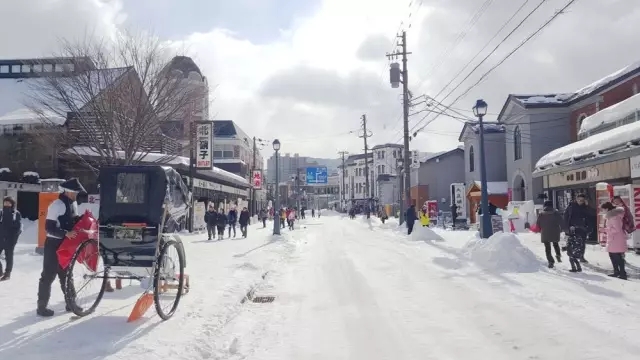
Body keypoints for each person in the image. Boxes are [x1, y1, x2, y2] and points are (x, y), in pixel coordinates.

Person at [37, 178, 85, 317]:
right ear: (69, 192)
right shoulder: (56, 205)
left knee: (66, 274)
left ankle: (71, 303)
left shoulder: (73, 203)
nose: (76, 195)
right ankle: (42, 307)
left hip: (66, 244)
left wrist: (82, 220)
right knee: (48, 275)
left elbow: (72, 220)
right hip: (53, 244)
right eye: (75, 192)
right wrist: (65, 233)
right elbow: (49, 228)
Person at [563, 193, 593, 264]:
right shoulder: (571, 207)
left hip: (583, 228)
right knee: (573, 242)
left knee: (582, 243)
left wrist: (589, 228)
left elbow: (590, 216)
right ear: (576, 199)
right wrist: (567, 228)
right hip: (573, 227)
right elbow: (566, 217)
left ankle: (581, 256)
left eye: (582, 200)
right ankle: (573, 255)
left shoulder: (586, 207)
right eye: (579, 200)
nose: (580, 201)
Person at [601, 202, 628, 280]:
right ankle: (617, 272)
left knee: (617, 256)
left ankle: (621, 273)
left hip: (616, 239)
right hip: (615, 239)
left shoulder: (614, 217)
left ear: (607, 209)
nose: (603, 211)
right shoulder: (612, 216)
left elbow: (616, 229)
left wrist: (605, 229)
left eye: (603, 209)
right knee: (613, 255)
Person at [536, 200, 563, 268]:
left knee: (547, 248)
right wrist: (562, 229)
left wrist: (540, 229)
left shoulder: (541, 214)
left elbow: (538, 223)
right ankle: (558, 255)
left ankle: (551, 261)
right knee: (555, 244)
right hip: (555, 231)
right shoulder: (556, 213)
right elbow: (561, 221)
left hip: (545, 232)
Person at [0, 196, 22, 281]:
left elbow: (17, 228)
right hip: (1, 238)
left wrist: (13, 240)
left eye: (8, 202)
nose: (6, 204)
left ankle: (7, 274)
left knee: (8, 257)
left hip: (10, 240)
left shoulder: (16, 214)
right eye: (5, 202)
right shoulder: (1, 213)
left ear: (12, 203)